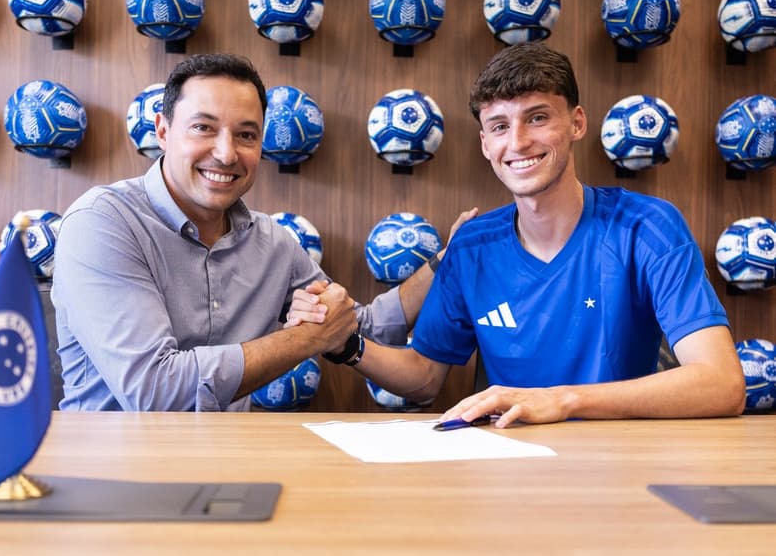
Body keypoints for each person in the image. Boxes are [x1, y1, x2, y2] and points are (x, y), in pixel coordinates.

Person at [288, 42, 746, 428]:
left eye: (538, 118)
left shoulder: (647, 226)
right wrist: (344, 343)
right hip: (507, 469)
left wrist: (563, 400)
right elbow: (424, 376)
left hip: (620, 465)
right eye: (500, 126)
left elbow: (722, 383)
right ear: (485, 143)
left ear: (577, 123)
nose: (518, 142)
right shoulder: (471, 245)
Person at [51, 53, 476, 411]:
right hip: (111, 473)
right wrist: (305, 339)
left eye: (246, 135)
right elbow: (156, 391)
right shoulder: (102, 222)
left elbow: (358, 326)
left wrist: (447, 260)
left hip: (228, 463)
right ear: (163, 131)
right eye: (203, 127)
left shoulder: (271, 242)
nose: (226, 153)